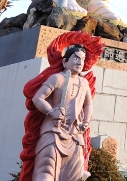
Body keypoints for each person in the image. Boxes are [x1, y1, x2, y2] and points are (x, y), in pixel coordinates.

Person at [29, 44, 94, 181]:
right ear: (65, 62)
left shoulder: (84, 83)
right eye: (75, 58)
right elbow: (38, 98)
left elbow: (88, 104)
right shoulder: (57, 78)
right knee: (46, 170)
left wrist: (86, 122)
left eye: (82, 59)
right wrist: (51, 111)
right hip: (53, 131)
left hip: (74, 134)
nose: (79, 62)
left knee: (75, 174)